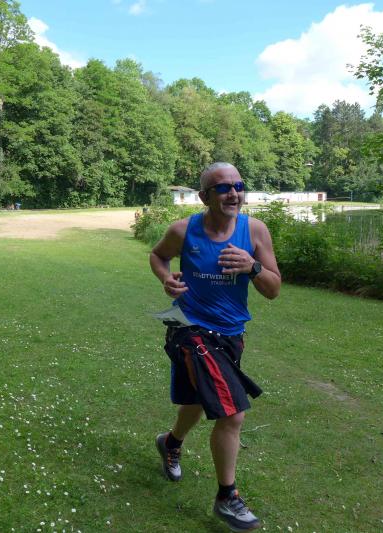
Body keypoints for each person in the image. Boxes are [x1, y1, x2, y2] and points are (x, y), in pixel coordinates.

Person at [149, 162, 281, 531]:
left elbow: (273, 289)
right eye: (223, 188)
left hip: (231, 335)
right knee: (231, 412)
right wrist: (166, 278)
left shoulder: (255, 231)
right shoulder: (183, 230)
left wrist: (252, 267)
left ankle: (171, 442)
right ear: (204, 196)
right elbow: (158, 256)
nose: (233, 193)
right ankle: (227, 497)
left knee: (195, 403)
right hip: (188, 330)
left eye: (239, 185)